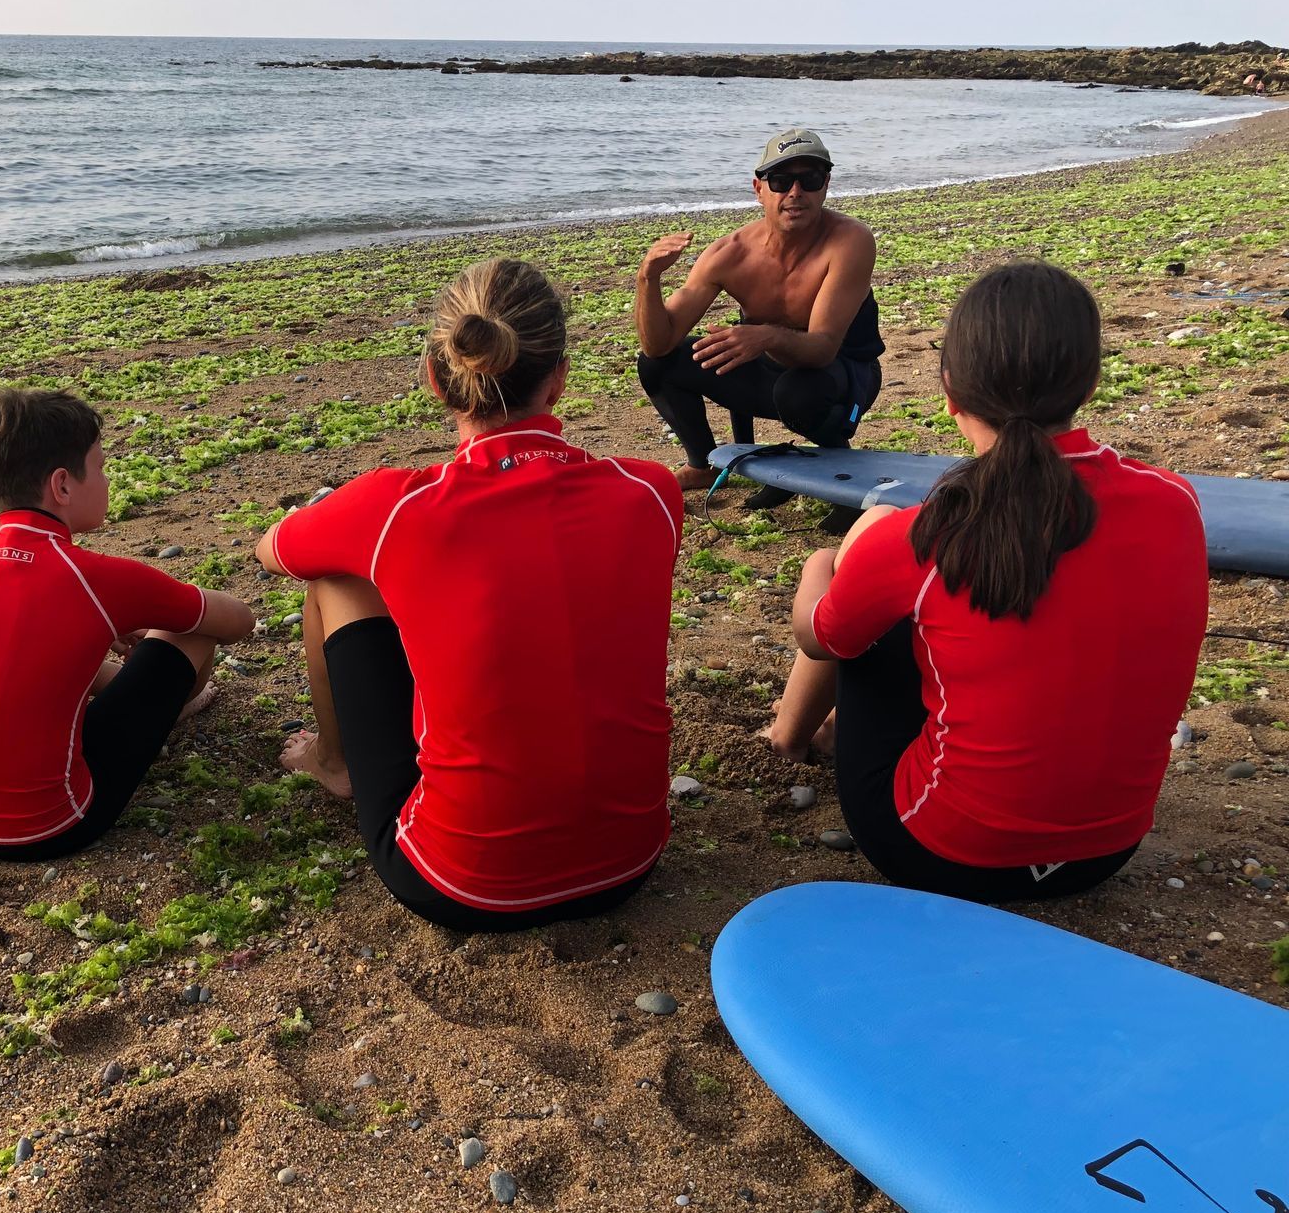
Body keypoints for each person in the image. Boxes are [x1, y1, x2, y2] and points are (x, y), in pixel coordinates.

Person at [257, 258, 683, 932]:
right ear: (560, 378)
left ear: (436, 378)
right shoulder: (651, 491)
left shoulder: (398, 505)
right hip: (629, 863)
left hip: (462, 883)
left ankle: (332, 760)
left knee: (336, 577)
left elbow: (273, 549)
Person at [765, 260, 1208, 903]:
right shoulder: (1176, 501)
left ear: (950, 389)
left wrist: (824, 564)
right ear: (1088, 385)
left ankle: (786, 737)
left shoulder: (924, 536)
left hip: (939, 853)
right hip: (1104, 852)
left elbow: (821, 636)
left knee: (872, 574)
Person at [0, 389, 254, 859]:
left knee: (15, 652)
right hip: (51, 825)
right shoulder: (94, 577)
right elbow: (238, 620)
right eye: (102, 467)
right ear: (62, 486)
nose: (108, 481)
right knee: (185, 630)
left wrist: (102, 626)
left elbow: (26, 640)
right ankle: (180, 706)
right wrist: (143, 616)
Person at [634, 127, 883, 509]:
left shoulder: (851, 241)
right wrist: (648, 277)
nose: (795, 192)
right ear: (759, 188)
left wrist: (765, 336)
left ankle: (837, 468)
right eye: (781, 180)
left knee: (798, 392)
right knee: (658, 365)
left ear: (826, 184)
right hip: (770, 372)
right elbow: (657, 343)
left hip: (846, 376)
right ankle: (701, 463)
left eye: (810, 179)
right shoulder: (729, 253)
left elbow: (823, 349)